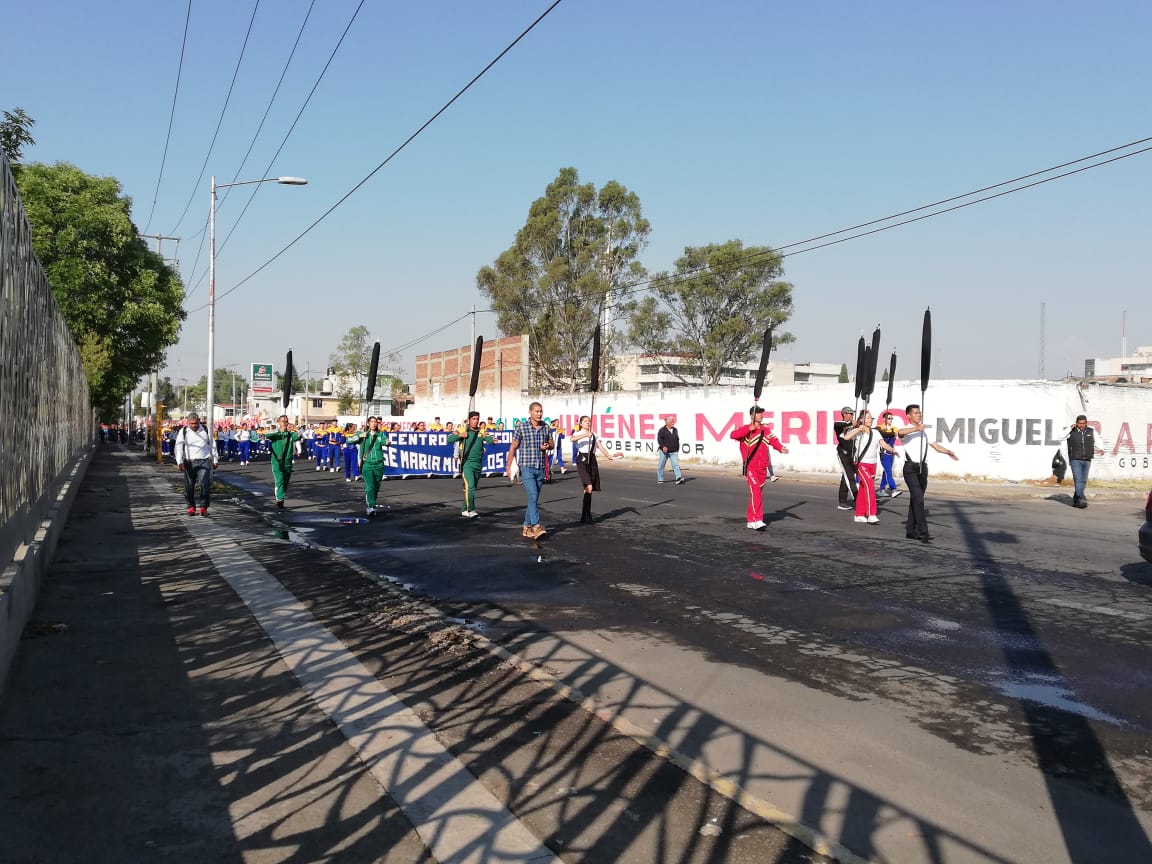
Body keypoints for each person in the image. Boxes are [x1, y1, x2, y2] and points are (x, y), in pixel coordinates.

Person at [897, 403, 959, 542]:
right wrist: (916, 428)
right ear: (908, 415)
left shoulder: (924, 430)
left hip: (922, 468)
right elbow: (900, 433)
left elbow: (935, 445)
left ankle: (910, 530)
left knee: (916, 499)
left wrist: (948, 451)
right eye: (915, 413)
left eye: (919, 412)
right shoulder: (908, 429)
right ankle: (923, 532)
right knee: (918, 498)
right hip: (910, 468)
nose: (919, 414)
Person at [731, 405, 788, 530]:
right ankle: (758, 520)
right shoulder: (746, 429)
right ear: (752, 415)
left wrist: (780, 448)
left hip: (763, 468)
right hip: (751, 467)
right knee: (756, 492)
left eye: (761, 414)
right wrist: (748, 430)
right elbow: (733, 435)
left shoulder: (765, 430)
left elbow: (774, 440)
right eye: (758, 413)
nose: (760, 415)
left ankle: (751, 519)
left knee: (755, 494)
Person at [841, 410, 896, 524]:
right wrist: (858, 429)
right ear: (861, 419)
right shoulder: (858, 432)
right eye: (867, 418)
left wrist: (892, 450)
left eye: (871, 418)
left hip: (873, 464)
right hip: (862, 464)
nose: (870, 419)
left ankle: (859, 514)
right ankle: (871, 514)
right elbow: (846, 437)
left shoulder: (876, 432)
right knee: (870, 487)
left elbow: (883, 444)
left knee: (863, 488)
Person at [506, 402, 552, 538]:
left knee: (534, 499)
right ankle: (536, 526)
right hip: (526, 467)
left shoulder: (545, 427)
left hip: (541, 467)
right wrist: (508, 466)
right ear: (530, 412)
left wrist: (547, 445)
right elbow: (513, 447)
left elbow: (552, 443)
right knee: (532, 496)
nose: (539, 414)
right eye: (536, 411)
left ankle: (526, 526)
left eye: (541, 411)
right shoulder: (522, 428)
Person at [570, 415, 623, 523]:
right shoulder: (578, 433)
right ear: (580, 423)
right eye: (585, 421)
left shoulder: (594, 434)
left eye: (589, 421)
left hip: (592, 460)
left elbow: (600, 446)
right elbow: (572, 439)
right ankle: (586, 514)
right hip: (583, 459)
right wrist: (585, 435)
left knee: (588, 490)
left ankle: (586, 514)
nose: (587, 423)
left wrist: (608, 455)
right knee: (588, 486)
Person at [448, 411, 495, 517]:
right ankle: (471, 510)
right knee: (471, 487)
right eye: (473, 419)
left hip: (478, 464)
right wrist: (460, 435)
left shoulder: (481, 431)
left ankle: (464, 510)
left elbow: (488, 438)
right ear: (469, 420)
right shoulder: (463, 429)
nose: (476, 421)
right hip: (467, 464)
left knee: (470, 489)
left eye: (477, 419)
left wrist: (492, 440)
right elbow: (449, 439)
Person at [173, 413, 218, 516]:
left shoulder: (206, 430)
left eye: (196, 423)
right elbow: (179, 447)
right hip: (189, 462)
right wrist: (179, 462)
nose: (194, 426)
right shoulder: (184, 431)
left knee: (204, 484)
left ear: (199, 421)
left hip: (204, 461)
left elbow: (212, 445)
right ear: (188, 423)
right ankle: (191, 507)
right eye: (191, 423)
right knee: (189, 486)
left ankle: (203, 507)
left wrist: (215, 460)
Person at [345, 417, 390, 516]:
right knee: (370, 486)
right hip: (367, 465)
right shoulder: (363, 434)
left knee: (376, 486)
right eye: (372, 422)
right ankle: (370, 506)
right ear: (368, 424)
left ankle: (372, 504)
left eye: (375, 422)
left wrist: (387, 442)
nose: (374, 424)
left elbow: (385, 442)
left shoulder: (380, 434)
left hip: (379, 464)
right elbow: (349, 440)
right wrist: (360, 435)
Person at [264, 415, 301, 509]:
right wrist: (281, 432)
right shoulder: (275, 433)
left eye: (286, 421)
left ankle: (279, 493)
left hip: (287, 461)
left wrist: (294, 429)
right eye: (282, 421)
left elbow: (298, 437)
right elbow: (267, 435)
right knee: (280, 480)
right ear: (278, 422)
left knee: (285, 481)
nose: (284, 423)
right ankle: (280, 499)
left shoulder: (290, 434)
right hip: (277, 461)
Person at [1067, 414, 1095, 508]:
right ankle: (1081, 497)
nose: (1082, 425)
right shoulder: (1071, 432)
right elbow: (1060, 436)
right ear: (1076, 423)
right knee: (1078, 479)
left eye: (1084, 423)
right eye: (1080, 423)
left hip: (1087, 459)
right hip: (1075, 459)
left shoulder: (1091, 431)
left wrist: (1101, 448)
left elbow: (1098, 441)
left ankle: (1076, 498)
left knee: (1083, 480)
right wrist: (1069, 428)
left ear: (1086, 423)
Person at [834, 407, 858, 510]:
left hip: (852, 455)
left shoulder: (853, 425)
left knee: (846, 478)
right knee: (850, 477)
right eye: (849, 413)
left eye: (852, 414)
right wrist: (851, 424)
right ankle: (858, 499)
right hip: (843, 454)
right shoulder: (838, 424)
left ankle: (842, 502)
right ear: (844, 414)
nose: (851, 415)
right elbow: (843, 425)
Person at [876, 412, 901, 498]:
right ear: (884, 419)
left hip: (891, 453)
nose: (890, 420)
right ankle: (893, 489)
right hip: (884, 453)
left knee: (886, 471)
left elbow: (899, 434)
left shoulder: (895, 429)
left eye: (891, 418)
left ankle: (882, 489)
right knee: (888, 472)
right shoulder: (880, 427)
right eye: (889, 418)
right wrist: (887, 432)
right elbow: (881, 433)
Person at [656, 415, 685, 484]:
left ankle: (678, 478)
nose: (673, 423)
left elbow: (677, 439)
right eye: (672, 421)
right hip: (664, 452)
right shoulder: (662, 430)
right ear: (667, 422)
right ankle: (660, 479)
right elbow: (659, 439)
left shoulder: (675, 430)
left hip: (673, 451)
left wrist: (677, 448)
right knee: (661, 465)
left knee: (676, 465)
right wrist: (663, 446)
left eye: (673, 421)